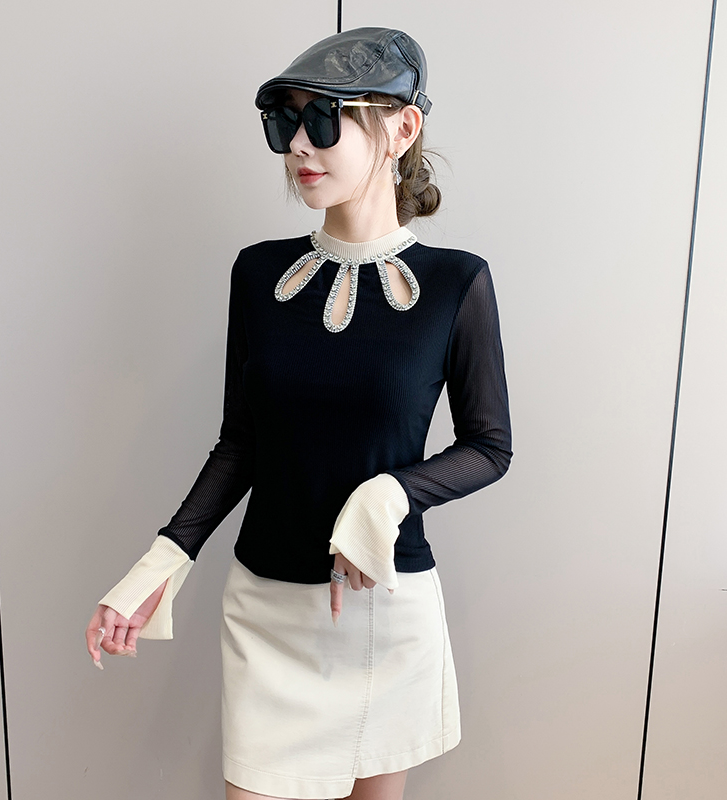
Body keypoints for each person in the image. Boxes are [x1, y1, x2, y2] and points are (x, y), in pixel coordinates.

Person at [85, 26, 512, 800]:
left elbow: (489, 446)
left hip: (384, 609)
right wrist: (159, 566)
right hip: (268, 612)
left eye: (323, 119)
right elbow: (241, 443)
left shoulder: (458, 284)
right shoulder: (257, 275)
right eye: (284, 123)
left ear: (401, 129)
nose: (298, 147)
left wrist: (388, 494)